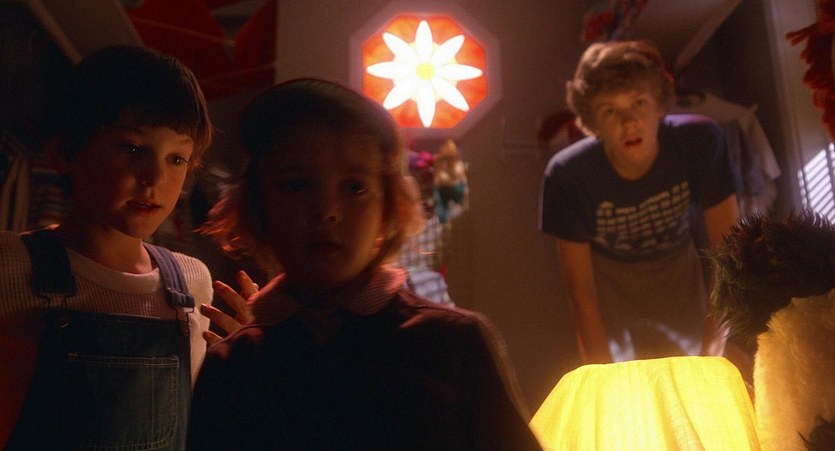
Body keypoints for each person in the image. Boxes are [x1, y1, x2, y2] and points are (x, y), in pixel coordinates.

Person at [188, 78, 542, 450]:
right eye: (296, 185)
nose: (326, 211)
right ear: (259, 206)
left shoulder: (454, 343)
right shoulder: (232, 364)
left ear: (389, 207)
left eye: (355, 187)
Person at [0, 45, 214, 450]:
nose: (155, 178)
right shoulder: (10, 264)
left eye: (176, 158)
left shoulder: (193, 282)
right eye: (133, 148)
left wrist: (239, 357)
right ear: (64, 152)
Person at [539, 40, 740, 364]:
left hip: (684, 290)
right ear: (592, 123)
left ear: (660, 104)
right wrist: (604, 373)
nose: (629, 122)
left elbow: (729, 253)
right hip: (614, 305)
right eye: (610, 111)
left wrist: (712, 353)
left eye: (639, 103)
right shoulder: (567, 175)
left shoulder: (700, 142)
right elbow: (580, 292)